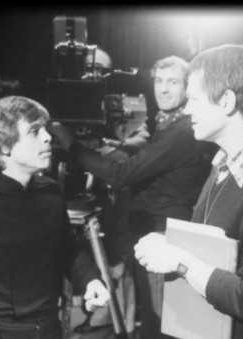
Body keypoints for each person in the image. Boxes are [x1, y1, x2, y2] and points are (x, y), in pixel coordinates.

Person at [134, 44, 243, 339]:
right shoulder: (224, 163)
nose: (187, 108)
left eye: (193, 98)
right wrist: (171, 244)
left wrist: (179, 258)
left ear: (227, 101)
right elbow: (224, 248)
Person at [51, 55, 216, 339]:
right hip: (154, 232)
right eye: (158, 81)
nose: (163, 89)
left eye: (173, 82)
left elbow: (121, 174)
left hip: (164, 236)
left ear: (187, 87)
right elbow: (148, 161)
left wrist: (72, 145)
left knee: (160, 324)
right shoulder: (171, 123)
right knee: (153, 319)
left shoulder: (181, 130)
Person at [0, 96, 110, 339]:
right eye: (35, 131)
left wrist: (91, 281)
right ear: (3, 145)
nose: (47, 137)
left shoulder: (50, 191)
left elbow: (68, 250)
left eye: (44, 129)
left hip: (49, 330)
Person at [73, 47, 150, 336]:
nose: (96, 74)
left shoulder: (123, 102)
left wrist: (108, 147)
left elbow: (142, 137)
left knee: (119, 257)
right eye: (91, 68)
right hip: (82, 186)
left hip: (116, 190)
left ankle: (120, 326)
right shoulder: (73, 101)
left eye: (102, 68)